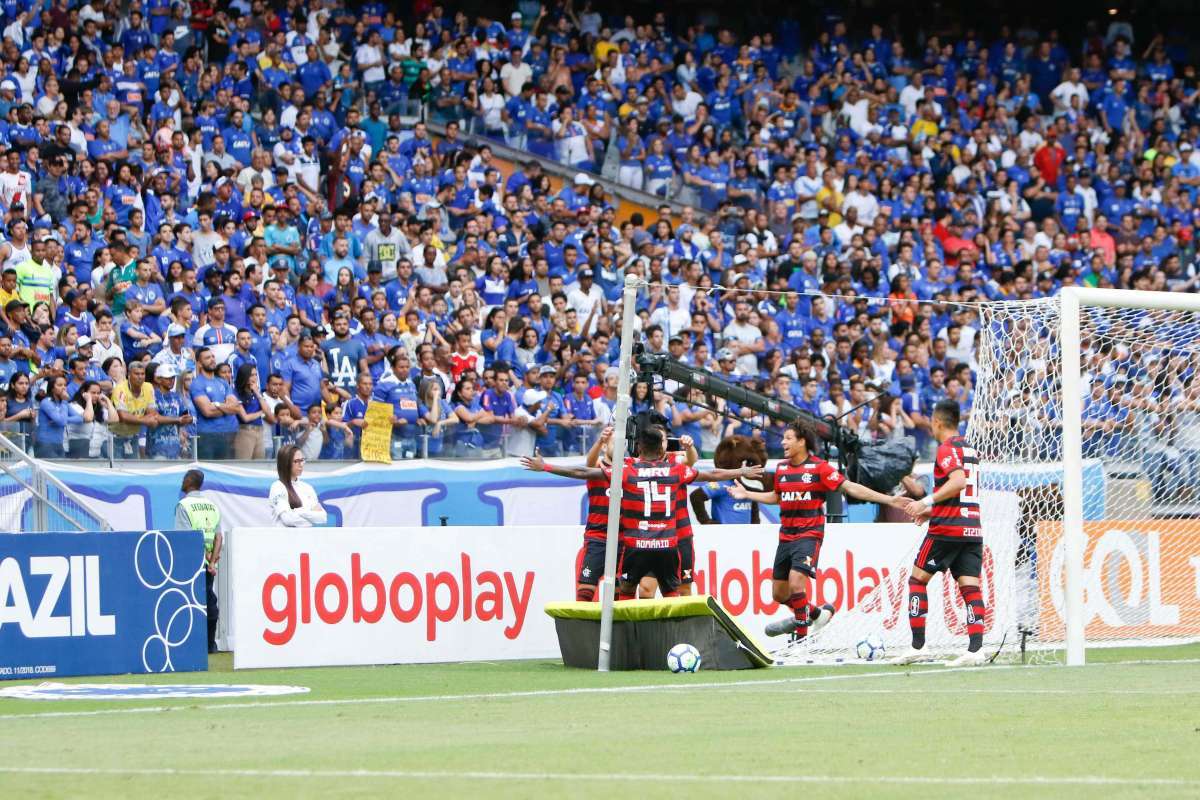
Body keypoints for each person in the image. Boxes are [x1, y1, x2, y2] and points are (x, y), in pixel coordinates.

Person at [521, 424, 763, 599]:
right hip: (668, 545)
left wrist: (546, 466)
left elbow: (582, 472)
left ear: (637, 447)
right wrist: (740, 473)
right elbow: (713, 474)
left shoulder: (627, 471)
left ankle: (627, 645)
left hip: (636, 545)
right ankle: (672, 643)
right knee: (671, 595)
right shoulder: (674, 471)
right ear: (662, 450)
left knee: (626, 592)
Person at [730, 421, 906, 640]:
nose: (783, 442)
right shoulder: (782, 469)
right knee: (779, 593)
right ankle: (817, 614)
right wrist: (747, 494)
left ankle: (801, 642)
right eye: (783, 438)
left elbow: (850, 487)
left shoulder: (819, 467)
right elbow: (777, 497)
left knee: (796, 583)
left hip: (810, 533)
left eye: (788, 438)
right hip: (786, 535)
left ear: (802, 442)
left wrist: (889, 499)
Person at [893, 400, 988, 666]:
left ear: (936, 422)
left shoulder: (946, 449)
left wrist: (926, 503)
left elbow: (958, 483)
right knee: (970, 588)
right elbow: (963, 495)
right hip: (971, 529)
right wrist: (932, 512)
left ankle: (918, 646)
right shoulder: (969, 448)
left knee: (917, 580)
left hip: (946, 531)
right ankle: (975, 650)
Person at [174, 468, 225, 653]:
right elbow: (219, 537)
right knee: (209, 598)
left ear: (189, 481)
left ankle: (193, 645)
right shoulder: (212, 506)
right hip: (210, 564)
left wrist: (204, 559)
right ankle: (211, 643)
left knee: (190, 602)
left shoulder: (184, 506)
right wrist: (211, 563)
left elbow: (188, 538)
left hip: (191, 562)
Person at [269, 443, 328, 527]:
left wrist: (299, 512)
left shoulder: (308, 488)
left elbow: (323, 517)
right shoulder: (277, 487)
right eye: (296, 461)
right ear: (286, 463)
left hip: (306, 538)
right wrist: (311, 516)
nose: (301, 464)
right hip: (283, 539)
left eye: (302, 460)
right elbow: (288, 519)